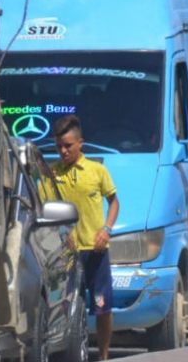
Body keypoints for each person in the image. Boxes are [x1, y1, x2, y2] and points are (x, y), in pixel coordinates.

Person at [51, 115, 120, 361]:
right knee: (67, 306)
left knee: (102, 308)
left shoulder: (97, 171)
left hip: (96, 251)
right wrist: (62, 232)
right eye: (58, 146)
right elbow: (45, 209)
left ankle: (102, 356)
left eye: (68, 145)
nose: (63, 151)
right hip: (67, 254)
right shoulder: (52, 175)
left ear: (80, 143)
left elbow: (114, 203)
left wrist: (106, 229)